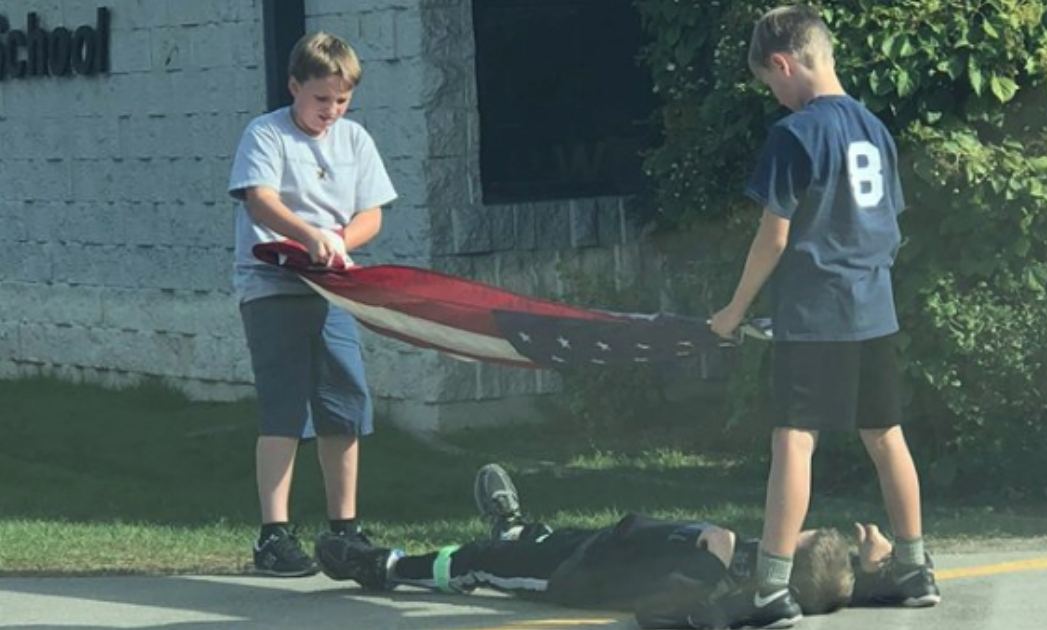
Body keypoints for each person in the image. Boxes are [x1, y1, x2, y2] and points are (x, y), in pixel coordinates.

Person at [708, 5, 940, 625]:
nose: (775, 96)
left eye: (770, 83)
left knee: (794, 440)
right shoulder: (875, 129)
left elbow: (773, 238)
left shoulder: (795, 134)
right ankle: (916, 567)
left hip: (816, 315)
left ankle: (771, 589)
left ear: (783, 64)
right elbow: (889, 227)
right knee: (886, 434)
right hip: (874, 310)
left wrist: (733, 312)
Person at [227, 31, 397, 576]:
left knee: (344, 402)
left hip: (333, 287)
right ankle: (272, 536)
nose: (332, 111)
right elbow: (261, 200)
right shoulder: (266, 134)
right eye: (321, 99)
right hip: (272, 284)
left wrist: (342, 241)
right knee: (284, 406)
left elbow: (373, 212)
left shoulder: (354, 140)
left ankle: (344, 531)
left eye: (342, 100)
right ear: (294, 86)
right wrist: (308, 235)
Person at [315, 464, 859, 629]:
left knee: (476, 564)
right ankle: (513, 528)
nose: (784, 533)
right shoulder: (747, 558)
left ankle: (382, 567)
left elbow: (658, 613)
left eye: (795, 540)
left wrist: (705, 560)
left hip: (572, 574)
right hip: (597, 544)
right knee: (532, 539)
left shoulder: (720, 585)